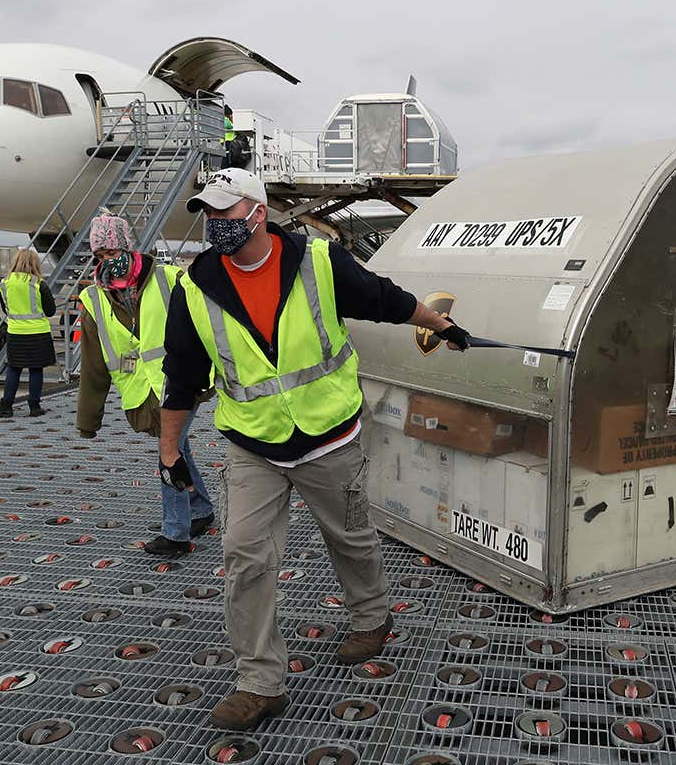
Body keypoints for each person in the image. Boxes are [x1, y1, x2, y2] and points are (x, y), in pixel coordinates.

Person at [159, 168, 471, 730]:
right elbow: (181, 376)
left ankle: (372, 619)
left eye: (225, 213)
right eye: (208, 213)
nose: (215, 224)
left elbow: (385, 301)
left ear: (257, 211)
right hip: (252, 444)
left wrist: (438, 324)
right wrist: (169, 452)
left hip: (330, 438)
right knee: (244, 554)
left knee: (349, 536)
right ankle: (260, 681)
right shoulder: (194, 286)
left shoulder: (317, 261)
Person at [76, 213, 214, 554]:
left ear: (127, 246)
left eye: (112, 252)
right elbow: (94, 364)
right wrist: (88, 420)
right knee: (178, 447)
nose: (108, 261)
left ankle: (176, 534)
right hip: (144, 392)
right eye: (101, 256)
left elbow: (206, 326)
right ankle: (202, 508)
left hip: (181, 383)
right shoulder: (94, 299)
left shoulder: (170, 279)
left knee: (168, 451)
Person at [0, 250, 55, 418]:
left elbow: (5, 309)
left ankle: (6, 406)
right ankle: (34, 406)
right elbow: (50, 310)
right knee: (36, 370)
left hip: (16, 332)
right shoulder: (39, 283)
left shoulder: (5, 283)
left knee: (14, 369)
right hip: (38, 332)